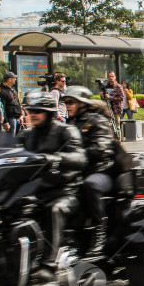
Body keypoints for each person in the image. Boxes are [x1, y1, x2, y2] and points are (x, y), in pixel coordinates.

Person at [19, 92, 86, 273]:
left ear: (49, 113)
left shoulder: (66, 131)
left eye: (38, 111)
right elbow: (9, 154)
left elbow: (80, 157)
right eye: (31, 110)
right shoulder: (26, 136)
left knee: (54, 210)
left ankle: (49, 264)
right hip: (34, 190)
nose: (33, 114)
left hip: (65, 191)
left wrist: (55, 158)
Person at [61, 86, 116, 257]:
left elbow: (101, 148)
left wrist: (77, 155)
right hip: (78, 171)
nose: (67, 105)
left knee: (89, 185)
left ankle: (99, 232)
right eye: (65, 102)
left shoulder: (97, 121)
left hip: (100, 170)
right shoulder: (69, 123)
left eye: (71, 102)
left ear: (82, 103)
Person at [101, 71, 124, 139]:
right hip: (108, 108)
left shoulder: (118, 86)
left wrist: (110, 97)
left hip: (116, 109)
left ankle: (119, 141)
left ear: (115, 77)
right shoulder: (106, 86)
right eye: (109, 76)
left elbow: (121, 98)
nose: (111, 78)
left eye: (112, 76)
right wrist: (102, 95)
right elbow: (104, 99)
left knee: (116, 126)